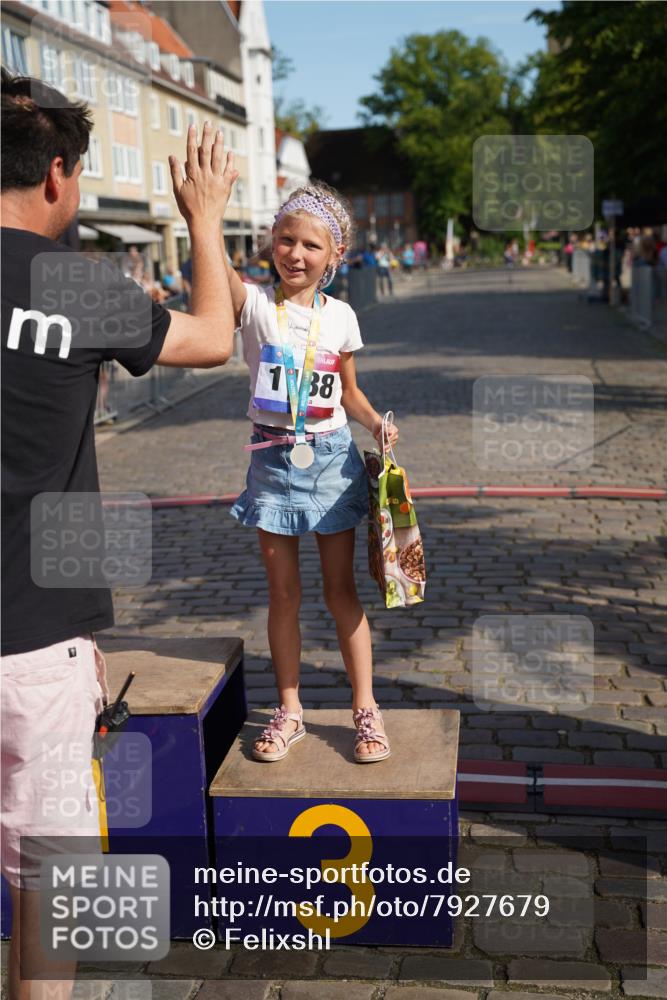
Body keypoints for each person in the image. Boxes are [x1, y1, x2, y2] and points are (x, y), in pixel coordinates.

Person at [1, 69, 238, 1000]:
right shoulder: (78, 286)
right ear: (57, 174)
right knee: (50, 890)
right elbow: (216, 335)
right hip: (36, 639)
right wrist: (203, 217)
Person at [221, 182, 399, 765]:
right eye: (285, 240)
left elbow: (349, 392)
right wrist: (206, 213)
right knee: (283, 595)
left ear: (334, 257)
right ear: (271, 243)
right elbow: (214, 268)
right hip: (272, 463)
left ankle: (365, 708)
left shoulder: (341, 316)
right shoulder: (251, 306)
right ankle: (290, 709)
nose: (295, 254)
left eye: (310, 246)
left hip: (330, 463)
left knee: (340, 590)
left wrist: (376, 423)